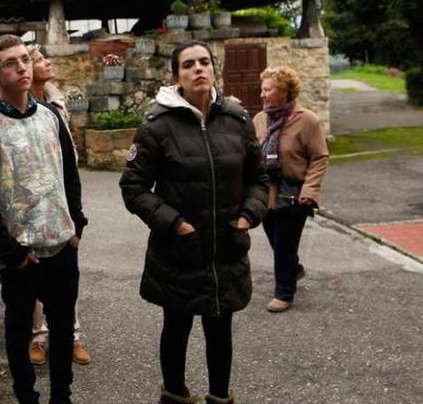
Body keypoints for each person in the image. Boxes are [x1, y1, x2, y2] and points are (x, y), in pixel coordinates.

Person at [119, 40, 268, 404]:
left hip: (227, 248)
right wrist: (175, 224)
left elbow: (259, 180)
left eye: (204, 62)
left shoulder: (237, 119)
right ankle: (175, 395)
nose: (198, 69)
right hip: (179, 250)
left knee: (221, 329)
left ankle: (219, 397)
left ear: (214, 70)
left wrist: (249, 215)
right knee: (177, 326)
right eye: (188, 65)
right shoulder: (157, 125)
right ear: (176, 77)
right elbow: (134, 187)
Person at [0, 35, 87, 404]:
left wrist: (76, 227)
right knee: (19, 331)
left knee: (63, 329)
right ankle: (25, 396)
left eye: (24, 59)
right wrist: (9, 251)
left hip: (62, 247)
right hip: (21, 256)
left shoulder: (50, 117)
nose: (21, 67)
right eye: (10, 63)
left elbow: (70, 175)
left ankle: (61, 396)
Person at [26, 44, 90, 366]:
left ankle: (72, 335)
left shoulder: (57, 100)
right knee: (37, 271)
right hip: (33, 201)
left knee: (67, 271)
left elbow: (69, 156)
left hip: (63, 199)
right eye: (38, 59)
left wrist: (77, 218)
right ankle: (39, 337)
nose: (45, 62)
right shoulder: (21, 107)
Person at [253, 66, 329, 313]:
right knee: (276, 240)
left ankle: (284, 293)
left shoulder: (308, 120)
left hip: (294, 194)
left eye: (268, 89)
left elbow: (319, 157)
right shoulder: (260, 119)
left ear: (285, 91)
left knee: (284, 244)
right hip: (267, 192)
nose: (262, 95)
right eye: (262, 89)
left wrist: (310, 189)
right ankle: (294, 270)